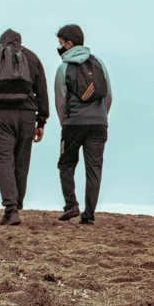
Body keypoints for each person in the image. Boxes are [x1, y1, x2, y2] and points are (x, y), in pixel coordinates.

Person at [0, 29, 49, 225]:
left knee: (4, 162)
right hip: (26, 116)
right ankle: (16, 204)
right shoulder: (32, 58)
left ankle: (11, 209)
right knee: (22, 162)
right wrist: (41, 121)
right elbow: (41, 91)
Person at [54, 24, 113, 225]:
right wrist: (102, 117)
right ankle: (89, 215)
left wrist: (65, 123)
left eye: (61, 44)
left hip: (73, 123)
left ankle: (71, 205)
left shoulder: (63, 68)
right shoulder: (99, 64)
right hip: (98, 124)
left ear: (69, 44)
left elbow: (60, 101)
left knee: (66, 164)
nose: (60, 48)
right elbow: (109, 95)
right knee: (94, 168)